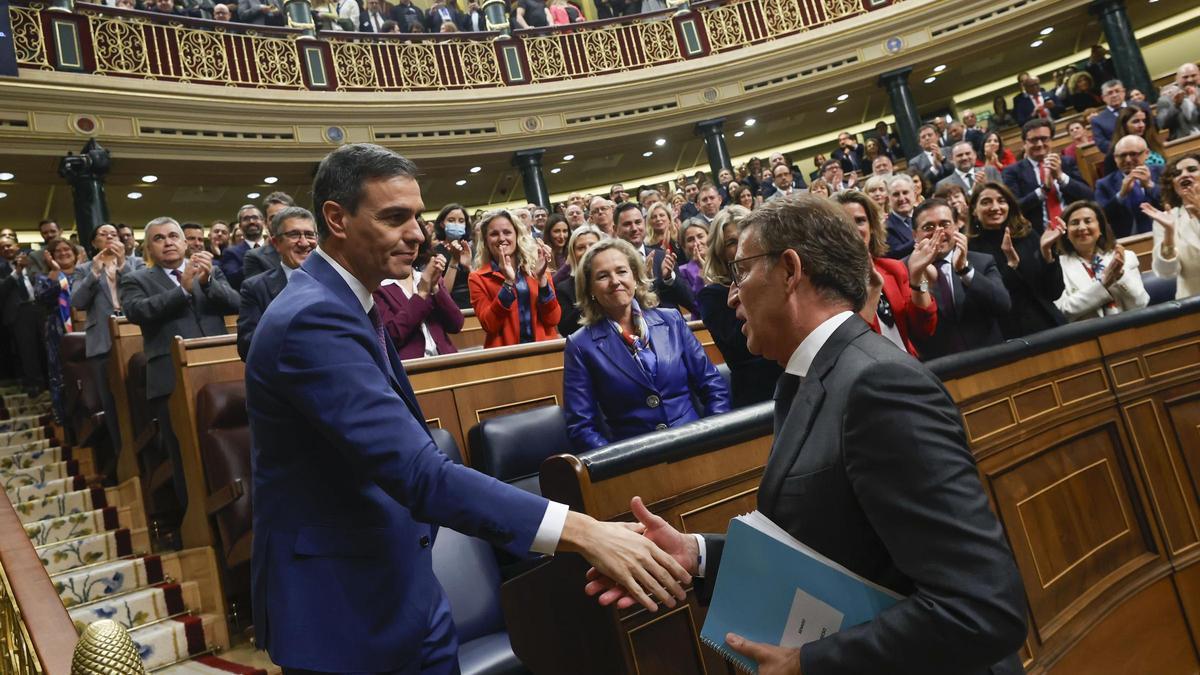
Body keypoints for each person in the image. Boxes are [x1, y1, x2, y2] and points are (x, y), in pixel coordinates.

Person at [247, 144, 690, 672]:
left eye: (417, 216)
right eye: (394, 218)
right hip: (347, 614)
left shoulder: (348, 301)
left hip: (400, 591)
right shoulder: (311, 317)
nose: (416, 234)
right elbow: (419, 473)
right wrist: (583, 531)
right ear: (336, 219)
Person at [585, 195, 1027, 673]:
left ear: (791, 270)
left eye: (741, 273)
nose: (732, 295)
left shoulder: (879, 385)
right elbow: (834, 545)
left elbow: (983, 609)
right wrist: (697, 555)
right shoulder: (803, 380)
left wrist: (809, 664)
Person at [562, 238, 729, 451]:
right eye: (603, 276)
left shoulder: (671, 320)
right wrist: (622, 465)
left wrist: (715, 436)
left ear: (635, 276)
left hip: (698, 445)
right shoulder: (580, 345)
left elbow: (712, 385)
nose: (615, 281)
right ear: (590, 288)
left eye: (621, 271)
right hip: (636, 462)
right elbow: (581, 427)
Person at [121, 217, 239, 512]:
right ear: (148, 248)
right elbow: (138, 312)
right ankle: (195, 519)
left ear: (186, 243)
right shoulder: (137, 279)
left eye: (174, 236)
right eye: (159, 238)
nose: (168, 242)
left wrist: (207, 282)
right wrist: (182, 291)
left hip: (219, 370)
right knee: (184, 453)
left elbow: (236, 304)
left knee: (229, 445)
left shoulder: (208, 270)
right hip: (170, 378)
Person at [694, 206, 783, 407]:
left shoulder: (776, 277)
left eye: (745, 236)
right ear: (720, 251)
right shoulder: (712, 296)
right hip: (759, 394)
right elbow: (747, 345)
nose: (742, 245)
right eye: (732, 242)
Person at [835, 191, 937, 358]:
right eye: (843, 222)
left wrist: (919, 278)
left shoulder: (893, 269)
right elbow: (850, 347)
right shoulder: (827, 284)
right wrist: (872, 295)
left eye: (860, 221)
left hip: (908, 367)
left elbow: (925, 327)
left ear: (872, 228)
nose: (853, 229)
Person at [71, 224, 145, 456]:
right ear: (94, 243)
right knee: (112, 403)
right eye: (103, 235)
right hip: (102, 341)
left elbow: (143, 290)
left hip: (136, 337)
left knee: (140, 398)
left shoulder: (135, 263)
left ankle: (145, 449)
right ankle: (123, 455)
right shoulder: (84, 269)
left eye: (114, 234)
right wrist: (94, 272)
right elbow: (78, 301)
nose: (109, 238)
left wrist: (122, 265)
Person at [908, 199, 1011, 359]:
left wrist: (965, 271)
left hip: (992, 360)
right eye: (929, 227)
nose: (938, 232)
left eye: (945, 224)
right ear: (915, 234)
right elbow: (914, 327)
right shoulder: (903, 270)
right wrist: (921, 279)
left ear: (956, 226)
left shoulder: (981, 261)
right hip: (942, 369)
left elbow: (1003, 305)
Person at [969, 182, 1066, 339]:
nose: (995, 207)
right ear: (974, 210)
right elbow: (989, 302)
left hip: (1048, 325)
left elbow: (1054, 292)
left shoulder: (1026, 234)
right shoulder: (970, 250)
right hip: (1008, 336)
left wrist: (1047, 253)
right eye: (986, 202)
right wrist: (1011, 266)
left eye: (1001, 201)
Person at [469, 209, 561, 347]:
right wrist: (508, 283)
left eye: (507, 232)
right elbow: (489, 325)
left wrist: (542, 280)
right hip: (506, 356)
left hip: (543, 350)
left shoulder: (537, 268)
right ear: (486, 241)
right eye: (494, 234)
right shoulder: (477, 278)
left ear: (517, 236)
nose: (501, 238)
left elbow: (553, 319)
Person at [237, 207, 318, 361]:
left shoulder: (336, 280)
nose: (304, 242)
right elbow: (246, 347)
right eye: (294, 235)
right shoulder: (255, 288)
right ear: (276, 243)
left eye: (309, 234)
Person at [1054, 201, 1148, 321]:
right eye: (1074, 223)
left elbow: (1141, 303)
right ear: (1066, 232)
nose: (1082, 227)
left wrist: (1121, 277)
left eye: (1088, 221)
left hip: (1129, 329)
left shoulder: (1126, 258)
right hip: (1087, 335)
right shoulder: (1058, 267)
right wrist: (1103, 285)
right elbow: (1063, 310)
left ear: (1100, 228)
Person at [1003, 119, 1095, 234]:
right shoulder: (1012, 171)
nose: (1040, 144)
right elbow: (1014, 208)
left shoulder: (1066, 163)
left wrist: (1061, 177)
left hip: (1075, 231)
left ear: (1051, 140)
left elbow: (1089, 196)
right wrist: (1043, 190)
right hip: (1038, 235)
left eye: (1044, 139)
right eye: (1033, 140)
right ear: (1024, 143)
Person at [33, 238, 80, 422]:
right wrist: (56, 273)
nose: (63, 253)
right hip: (58, 330)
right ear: (51, 257)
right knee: (60, 372)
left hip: (86, 327)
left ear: (75, 253)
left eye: (67, 249)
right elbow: (41, 298)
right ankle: (64, 417)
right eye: (57, 251)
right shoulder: (45, 277)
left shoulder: (84, 273)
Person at [1141, 154, 1200, 300]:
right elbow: (1166, 272)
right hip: (1192, 304)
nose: (1184, 175)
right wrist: (1169, 233)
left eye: (1191, 169)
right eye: (1177, 174)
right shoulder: (1167, 219)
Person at [1096, 135, 1163, 237]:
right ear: (1115, 158)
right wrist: (1121, 195)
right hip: (1127, 240)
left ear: (1146, 153)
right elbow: (1101, 217)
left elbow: (1174, 203)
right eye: (1122, 155)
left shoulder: (1161, 172)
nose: (1128, 160)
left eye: (1133, 154)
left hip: (1165, 232)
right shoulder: (1104, 184)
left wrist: (1151, 186)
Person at [556, 225, 604, 338]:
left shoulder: (613, 280)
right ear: (573, 254)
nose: (588, 251)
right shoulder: (563, 288)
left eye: (593, 245)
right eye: (581, 247)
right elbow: (566, 328)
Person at [429, 203, 474, 310]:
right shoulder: (435, 253)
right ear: (442, 224)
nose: (457, 224)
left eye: (461, 221)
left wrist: (468, 267)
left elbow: (481, 285)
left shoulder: (472, 249)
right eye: (451, 220)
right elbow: (443, 292)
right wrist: (454, 260)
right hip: (450, 309)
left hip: (474, 306)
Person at [1103, 105, 1167, 175]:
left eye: (1144, 121)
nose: (1141, 125)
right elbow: (1111, 181)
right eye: (1136, 121)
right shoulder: (1115, 153)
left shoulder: (1152, 143)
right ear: (1124, 125)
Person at [218, 204, 268, 290]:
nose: (251, 221)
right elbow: (232, 278)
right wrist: (261, 254)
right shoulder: (230, 252)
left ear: (263, 222)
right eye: (246, 219)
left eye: (255, 217)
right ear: (240, 226)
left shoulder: (276, 247)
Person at [676, 219, 709, 299]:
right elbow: (694, 302)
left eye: (700, 236)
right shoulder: (681, 272)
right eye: (690, 240)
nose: (697, 243)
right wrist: (701, 272)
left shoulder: (722, 262)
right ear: (684, 246)